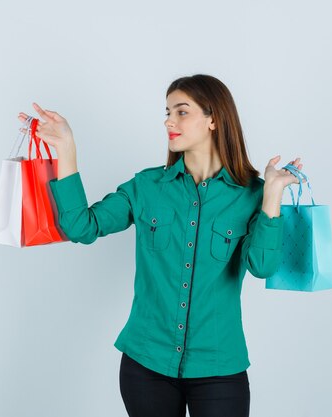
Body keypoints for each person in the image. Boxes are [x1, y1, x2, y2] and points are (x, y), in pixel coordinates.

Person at [17, 74, 305, 417]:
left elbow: (262, 266)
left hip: (219, 369)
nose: (169, 121)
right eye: (167, 112)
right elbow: (82, 227)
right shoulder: (146, 186)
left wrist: (272, 194)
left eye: (181, 112)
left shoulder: (251, 195)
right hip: (145, 364)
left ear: (214, 119)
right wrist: (66, 148)